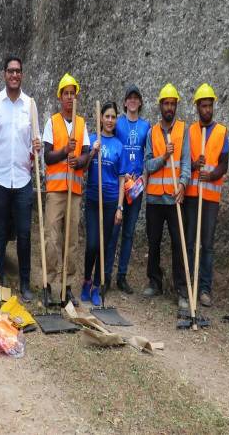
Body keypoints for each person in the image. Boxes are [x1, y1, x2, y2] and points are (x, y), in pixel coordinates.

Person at [0, 56, 41, 302]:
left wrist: (37, 147)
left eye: (18, 71)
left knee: (25, 233)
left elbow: (35, 143)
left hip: (23, 179)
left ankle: (25, 283)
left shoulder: (31, 105)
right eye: (10, 71)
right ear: (4, 74)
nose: (14, 75)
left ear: (22, 75)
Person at [42, 73, 91, 306]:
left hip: (75, 190)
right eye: (66, 94)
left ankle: (67, 287)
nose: (70, 97)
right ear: (60, 97)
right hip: (56, 190)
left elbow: (87, 156)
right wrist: (65, 151)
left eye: (73, 93)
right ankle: (48, 284)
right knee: (52, 237)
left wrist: (79, 161)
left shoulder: (82, 124)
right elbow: (48, 156)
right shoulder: (52, 122)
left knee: (71, 240)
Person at [144, 83, 191, 309]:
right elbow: (148, 164)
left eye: (173, 103)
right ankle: (155, 281)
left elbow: (186, 163)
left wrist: (183, 184)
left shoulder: (184, 129)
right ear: (160, 106)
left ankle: (181, 288)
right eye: (166, 103)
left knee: (178, 244)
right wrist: (163, 157)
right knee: (153, 242)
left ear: (176, 106)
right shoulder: (152, 132)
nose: (169, 107)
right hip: (154, 198)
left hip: (174, 198)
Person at [184, 83, 228, 307]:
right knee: (190, 243)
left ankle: (204, 289)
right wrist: (194, 165)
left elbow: (224, 164)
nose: (207, 110)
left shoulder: (221, 131)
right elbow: (184, 163)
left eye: (210, 105)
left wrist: (210, 176)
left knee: (207, 245)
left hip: (210, 199)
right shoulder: (190, 131)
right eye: (203, 106)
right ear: (197, 108)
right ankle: (189, 284)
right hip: (192, 196)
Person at [105, 84, 150, 294]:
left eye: (136, 98)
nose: (132, 101)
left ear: (140, 102)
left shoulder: (146, 126)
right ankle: (106, 275)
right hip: (119, 184)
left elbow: (147, 154)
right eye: (129, 98)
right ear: (124, 102)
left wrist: (143, 176)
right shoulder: (118, 123)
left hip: (136, 187)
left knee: (129, 233)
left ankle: (122, 275)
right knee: (114, 229)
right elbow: (109, 143)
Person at [81, 102, 125, 306]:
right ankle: (86, 280)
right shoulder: (91, 140)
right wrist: (91, 152)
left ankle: (97, 286)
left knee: (104, 246)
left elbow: (122, 179)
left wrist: (119, 207)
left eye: (113, 117)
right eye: (106, 116)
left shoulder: (119, 145)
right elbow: (83, 169)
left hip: (109, 201)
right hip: (92, 199)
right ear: (100, 118)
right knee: (91, 244)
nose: (109, 120)